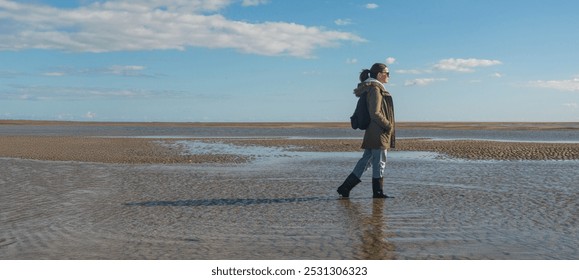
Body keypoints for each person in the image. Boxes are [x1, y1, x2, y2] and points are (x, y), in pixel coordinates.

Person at [337, 62, 395, 199]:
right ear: (380, 75)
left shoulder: (372, 88)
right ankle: (378, 192)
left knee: (366, 161)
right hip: (378, 131)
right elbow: (375, 112)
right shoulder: (375, 89)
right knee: (379, 161)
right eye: (387, 73)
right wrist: (388, 125)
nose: (388, 76)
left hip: (372, 131)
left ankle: (345, 187)